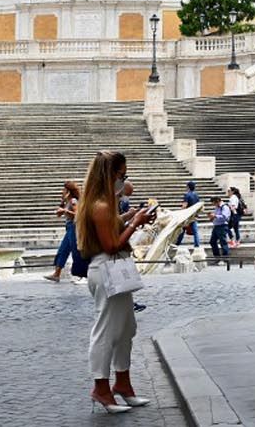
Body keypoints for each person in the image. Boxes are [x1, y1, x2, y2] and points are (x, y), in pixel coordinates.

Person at [76, 150, 157, 413]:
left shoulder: (104, 202)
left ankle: (123, 384)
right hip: (106, 269)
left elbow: (110, 228)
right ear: (109, 174)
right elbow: (111, 245)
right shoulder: (99, 205)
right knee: (106, 332)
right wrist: (135, 223)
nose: (124, 180)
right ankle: (101, 388)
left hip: (115, 270)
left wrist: (130, 216)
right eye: (122, 175)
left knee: (126, 329)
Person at [46, 182, 80, 283]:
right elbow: (59, 215)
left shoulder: (73, 201)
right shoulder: (67, 201)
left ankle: (81, 274)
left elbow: (77, 214)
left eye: (64, 190)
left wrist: (65, 211)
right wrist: (62, 204)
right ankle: (57, 274)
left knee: (76, 251)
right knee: (63, 250)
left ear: (68, 191)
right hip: (69, 228)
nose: (62, 191)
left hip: (74, 228)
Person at [176, 180, 201, 247]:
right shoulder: (196, 195)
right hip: (194, 215)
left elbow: (184, 205)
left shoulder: (187, 195)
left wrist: (181, 213)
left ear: (188, 187)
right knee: (195, 231)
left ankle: (177, 243)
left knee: (182, 230)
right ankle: (197, 244)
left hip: (187, 216)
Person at [208, 196, 231, 262]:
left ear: (218, 201)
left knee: (223, 242)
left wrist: (215, 216)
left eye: (214, 203)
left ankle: (225, 258)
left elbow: (224, 217)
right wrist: (212, 218)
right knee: (212, 242)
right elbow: (216, 215)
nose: (214, 205)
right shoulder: (217, 208)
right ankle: (217, 257)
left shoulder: (224, 207)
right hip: (216, 226)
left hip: (222, 226)